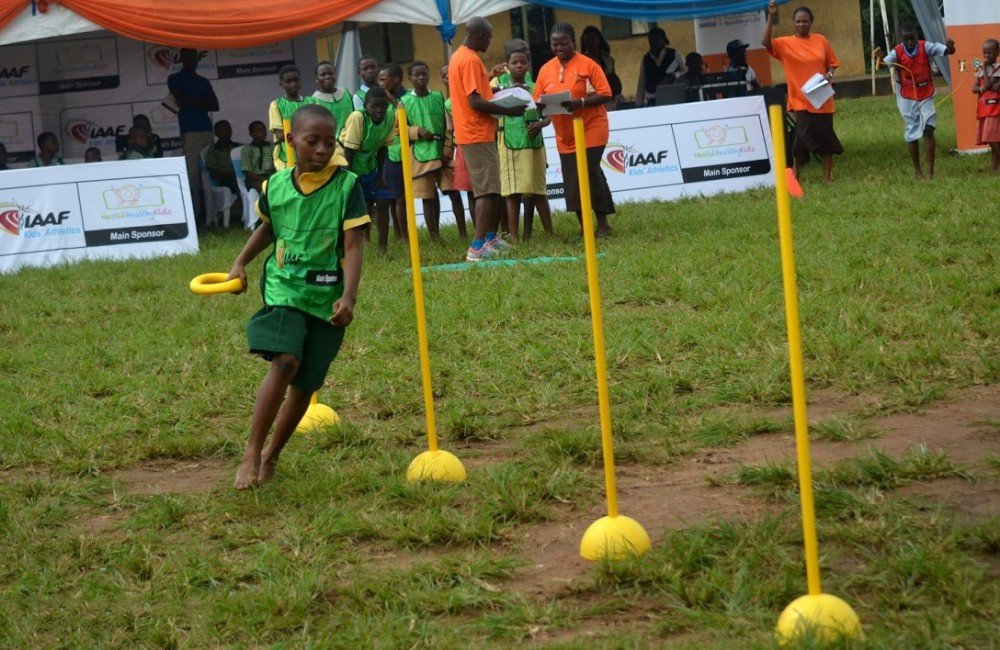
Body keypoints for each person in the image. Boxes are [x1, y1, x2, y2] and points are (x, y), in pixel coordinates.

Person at [225, 104, 369, 490]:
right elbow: (267, 229)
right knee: (285, 361)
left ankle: (272, 456)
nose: (322, 149)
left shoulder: (348, 185)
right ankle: (252, 452)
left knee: (305, 384)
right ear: (291, 142)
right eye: (312, 141)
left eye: (329, 141)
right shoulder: (276, 186)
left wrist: (349, 297)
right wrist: (240, 263)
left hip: (326, 295)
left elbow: (352, 246)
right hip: (284, 287)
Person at [449, 16, 525, 261]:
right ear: (479, 36)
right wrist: (509, 110)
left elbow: (478, 93)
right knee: (486, 191)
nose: (490, 43)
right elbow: (475, 101)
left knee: (491, 189)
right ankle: (477, 245)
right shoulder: (470, 60)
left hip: (474, 132)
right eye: (489, 38)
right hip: (475, 132)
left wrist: (502, 92)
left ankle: (490, 238)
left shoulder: (459, 56)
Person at [534, 22, 615, 238]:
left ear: (573, 42)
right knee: (572, 180)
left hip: (591, 126)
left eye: (564, 44)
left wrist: (580, 103)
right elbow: (537, 100)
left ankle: (602, 223)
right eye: (555, 44)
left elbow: (606, 93)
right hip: (565, 133)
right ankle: (584, 227)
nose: (559, 48)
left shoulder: (588, 64)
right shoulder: (545, 69)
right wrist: (541, 107)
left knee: (588, 170)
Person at [763, 1, 843, 182]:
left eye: (805, 21)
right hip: (800, 99)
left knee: (825, 139)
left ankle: (827, 178)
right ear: (793, 23)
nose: (801, 24)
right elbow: (765, 42)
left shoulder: (821, 40)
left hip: (822, 98)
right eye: (798, 21)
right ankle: (795, 178)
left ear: (811, 22)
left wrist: (829, 74)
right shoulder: (785, 43)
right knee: (800, 141)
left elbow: (832, 63)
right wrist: (771, 16)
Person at [880, 25, 956, 179]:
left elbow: (948, 51)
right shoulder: (897, 51)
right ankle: (917, 171)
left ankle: (930, 171)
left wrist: (950, 47)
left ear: (917, 36)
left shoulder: (925, 46)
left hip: (925, 93)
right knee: (912, 133)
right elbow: (884, 66)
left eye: (912, 38)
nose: (910, 42)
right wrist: (880, 58)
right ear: (901, 39)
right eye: (906, 40)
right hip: (907, 97)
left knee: (928, 128)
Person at [494, 47, 553, 241]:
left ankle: (550, 234)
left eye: (523, 62)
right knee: (512, 193)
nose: (519, 66)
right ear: (507, 65)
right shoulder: (499, 85)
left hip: (534, 143)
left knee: (538, 190)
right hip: (509, 144)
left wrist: (541, 124)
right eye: (514, 62)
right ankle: (514, 237)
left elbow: (548, 116)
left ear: (528, 64)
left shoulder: (537, 86)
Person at [336, 87, 396, 253]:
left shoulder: (390, 116)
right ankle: (350, 246)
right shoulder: (358, 117)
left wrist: (380, 177)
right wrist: (349, 179)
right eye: (374, 106)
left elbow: (383, 148)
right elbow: (349, 150)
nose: (379, 110)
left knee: (383, 199)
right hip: (346, 163)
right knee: (354, 206)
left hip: (369, 164)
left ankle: (382, 249)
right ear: (366, 105)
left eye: (382, 106)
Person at [167, 48, 219, 224]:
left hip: (206, 129)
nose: (191, 61)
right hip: (189, 130)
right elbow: (180, 100)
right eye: (187, 58)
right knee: (192, 174)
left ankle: (211, 214)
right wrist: (200, 102)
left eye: (193, 58)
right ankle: (195, 214)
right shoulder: (174, 78)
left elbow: (215, 105)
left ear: (197, 59)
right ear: (181, 59)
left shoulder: (203, 80)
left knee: (208, 171)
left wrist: (191, 101)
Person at [400, 61, 447, 239]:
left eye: (424, 74)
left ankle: (461, 232)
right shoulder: (404, 101)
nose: (421, 77)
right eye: (417, 75)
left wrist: (447, 149)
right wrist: (417, 131)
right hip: (421, 155)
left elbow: (445, 123)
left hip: (441, 150)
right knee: (428, 196)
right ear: (410, 78)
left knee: (450, 192)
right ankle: (434, 235)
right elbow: (399, 129)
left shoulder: (438, 96)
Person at [377, 64, 407, 245]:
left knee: (410, 196)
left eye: (383, 79)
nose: (380, 83)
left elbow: (407, 119)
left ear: (395, 79)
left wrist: (394, 103)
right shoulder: (381, 101)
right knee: (396, 196)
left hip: (410, 153)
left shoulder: (407, 97)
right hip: (390, 153)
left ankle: (411, 234)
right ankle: (402, 237)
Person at [440, 64, 469, 238]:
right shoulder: (445, 103)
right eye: (445, 75)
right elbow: (449, 129)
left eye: (451, 73)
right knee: (454, 191)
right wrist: (447, 151)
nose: (449, 77)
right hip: (453, 150)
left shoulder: (470, 96)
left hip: (472, 145)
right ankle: (463, 234)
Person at [636, 28, 686, 107]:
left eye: (656, 40)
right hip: (652, 99)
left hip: (671, 97)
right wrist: (639, 104)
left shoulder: (674, 54)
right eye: (651, 40)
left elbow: (686, 71)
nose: (653, 43)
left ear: (664, 40)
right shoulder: (646, 59)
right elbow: (641, 83)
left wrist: (675, 75)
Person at [268, 65, 305, 171]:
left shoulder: (311, 101)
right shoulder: (276, 105)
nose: (293, 84)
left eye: (296, 80)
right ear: (281, 84)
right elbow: (280, 135)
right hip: (287, 158)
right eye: (288, 81)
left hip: (308, 156)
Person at [305, 61, 355, 137]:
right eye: (323, 74)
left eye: (331, 73)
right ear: (316, 79)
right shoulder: (313, 102)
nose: (328, 77)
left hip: (352, 141)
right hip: (330, 145)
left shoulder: (348, 94)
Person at [972, 38, 1000, 172]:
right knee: (994, 139)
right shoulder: (980, 72)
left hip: (995, 109)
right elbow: (974, 88)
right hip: (984, 109)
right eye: (985, 53)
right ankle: (994, 168)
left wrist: (984, 69)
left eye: (990, 52)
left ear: (997, 52)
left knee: (991, 138)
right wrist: (984, 88)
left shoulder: (998, 68)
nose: (987, 55)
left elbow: (988, 84)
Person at [581, 26, 623, 106]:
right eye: (587, 40)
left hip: (614, 95)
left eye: (592, 39)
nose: (589, 43)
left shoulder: (605, 57)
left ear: (598, 40)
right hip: (597, 97)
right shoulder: (583, 60)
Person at [204, 120, 241, 194]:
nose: (227, 132)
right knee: (235, 180)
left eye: (229, 129)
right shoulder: (213, 150)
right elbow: (213, 174)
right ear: (216, 134)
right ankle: (240, 203)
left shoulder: (238, 147)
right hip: (226, 180)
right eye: (223, 130)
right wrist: (231, 173)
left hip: (241, 176)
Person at [241, 120, 276, 193]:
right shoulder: (247, 149)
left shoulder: (271, 147)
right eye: (259, 130)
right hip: (254, 178)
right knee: (262, 187)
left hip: (269, 176)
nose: (263, 132)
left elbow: (276, 164)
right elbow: (247, 171)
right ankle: (264, 203)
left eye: (264, 129)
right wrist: (263, 179)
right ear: (251, 134)